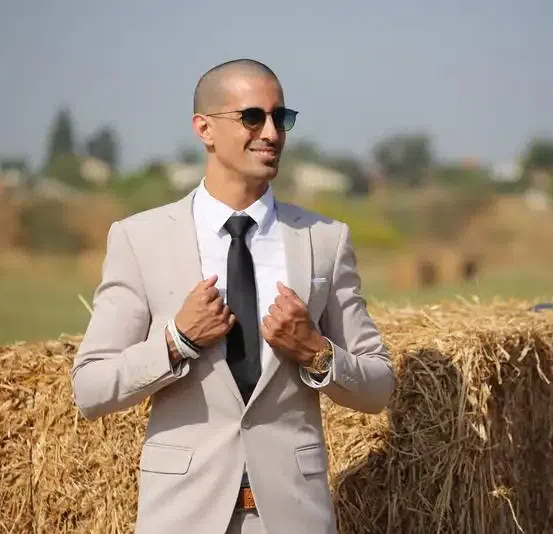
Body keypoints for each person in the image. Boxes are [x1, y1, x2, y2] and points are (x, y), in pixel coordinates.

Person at [71, 58, 395, 534]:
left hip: (293, 516)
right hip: (181, 516)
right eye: (252, 117)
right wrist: (175, 342)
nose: (272, 133)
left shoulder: (324, 239)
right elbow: (90, 388)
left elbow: (378, 386)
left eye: (280, 117)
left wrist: (316, 352)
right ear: (204, 128)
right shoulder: (140, 239)